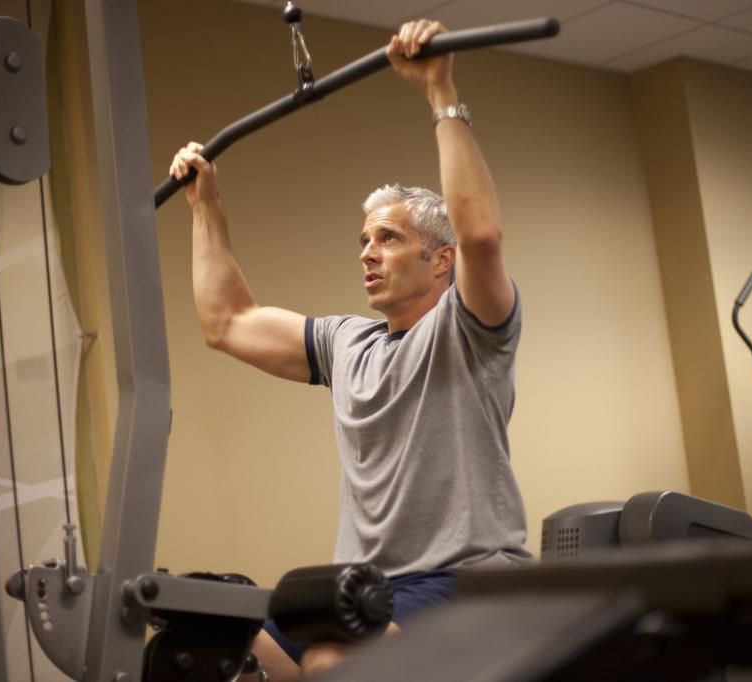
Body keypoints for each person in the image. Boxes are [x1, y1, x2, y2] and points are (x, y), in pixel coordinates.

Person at [169, 18, 530, 680]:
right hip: (364, 588)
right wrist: (205, 205)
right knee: (219, 644)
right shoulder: (347, 344)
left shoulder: (467, 331)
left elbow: (482, 235)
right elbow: (227, 321)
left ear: (439, 260)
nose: (368, 252)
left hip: (466, 580)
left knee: (335, 663)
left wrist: (439, 91)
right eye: (364, 240)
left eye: (388, 238)